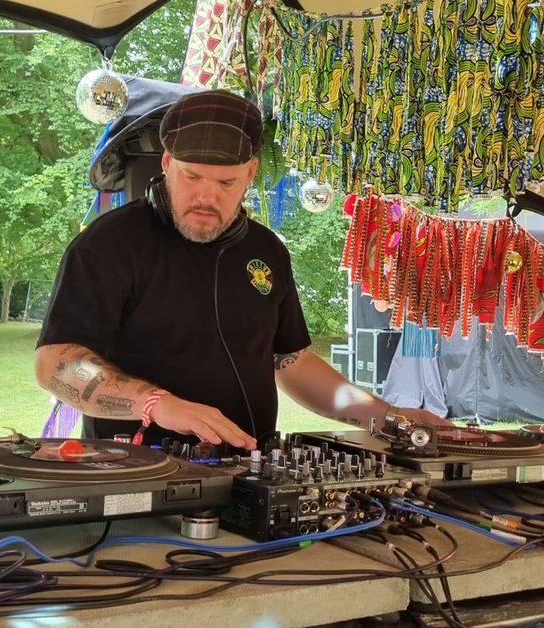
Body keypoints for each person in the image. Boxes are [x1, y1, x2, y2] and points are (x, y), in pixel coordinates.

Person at [34, 89, 451, 450]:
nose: (205, 197)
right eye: (191, 177)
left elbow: (292, 363)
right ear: (166, 163)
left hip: (249, 470)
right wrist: (156, 404)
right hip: (138, 475)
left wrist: (388, 416)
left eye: (225, 183)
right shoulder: (109, 244)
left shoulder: (266, 251)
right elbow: (55, 363)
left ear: (250, 173)